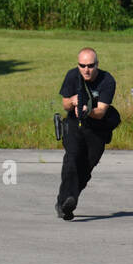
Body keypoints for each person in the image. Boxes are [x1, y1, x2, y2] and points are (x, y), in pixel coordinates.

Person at [55, 48, 117, 220]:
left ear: (97, 65)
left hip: (96, 127)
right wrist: (73, 101)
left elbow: (101, 112)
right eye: (82, 66)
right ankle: (66, 201)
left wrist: (86, 110)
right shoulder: (72, 76)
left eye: (90, 66)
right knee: (72, 159)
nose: (86, 70)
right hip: (75, 125)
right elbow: (65, 104)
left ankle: (69, 198)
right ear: (78, 65)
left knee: (86, 167)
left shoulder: (107, 80)